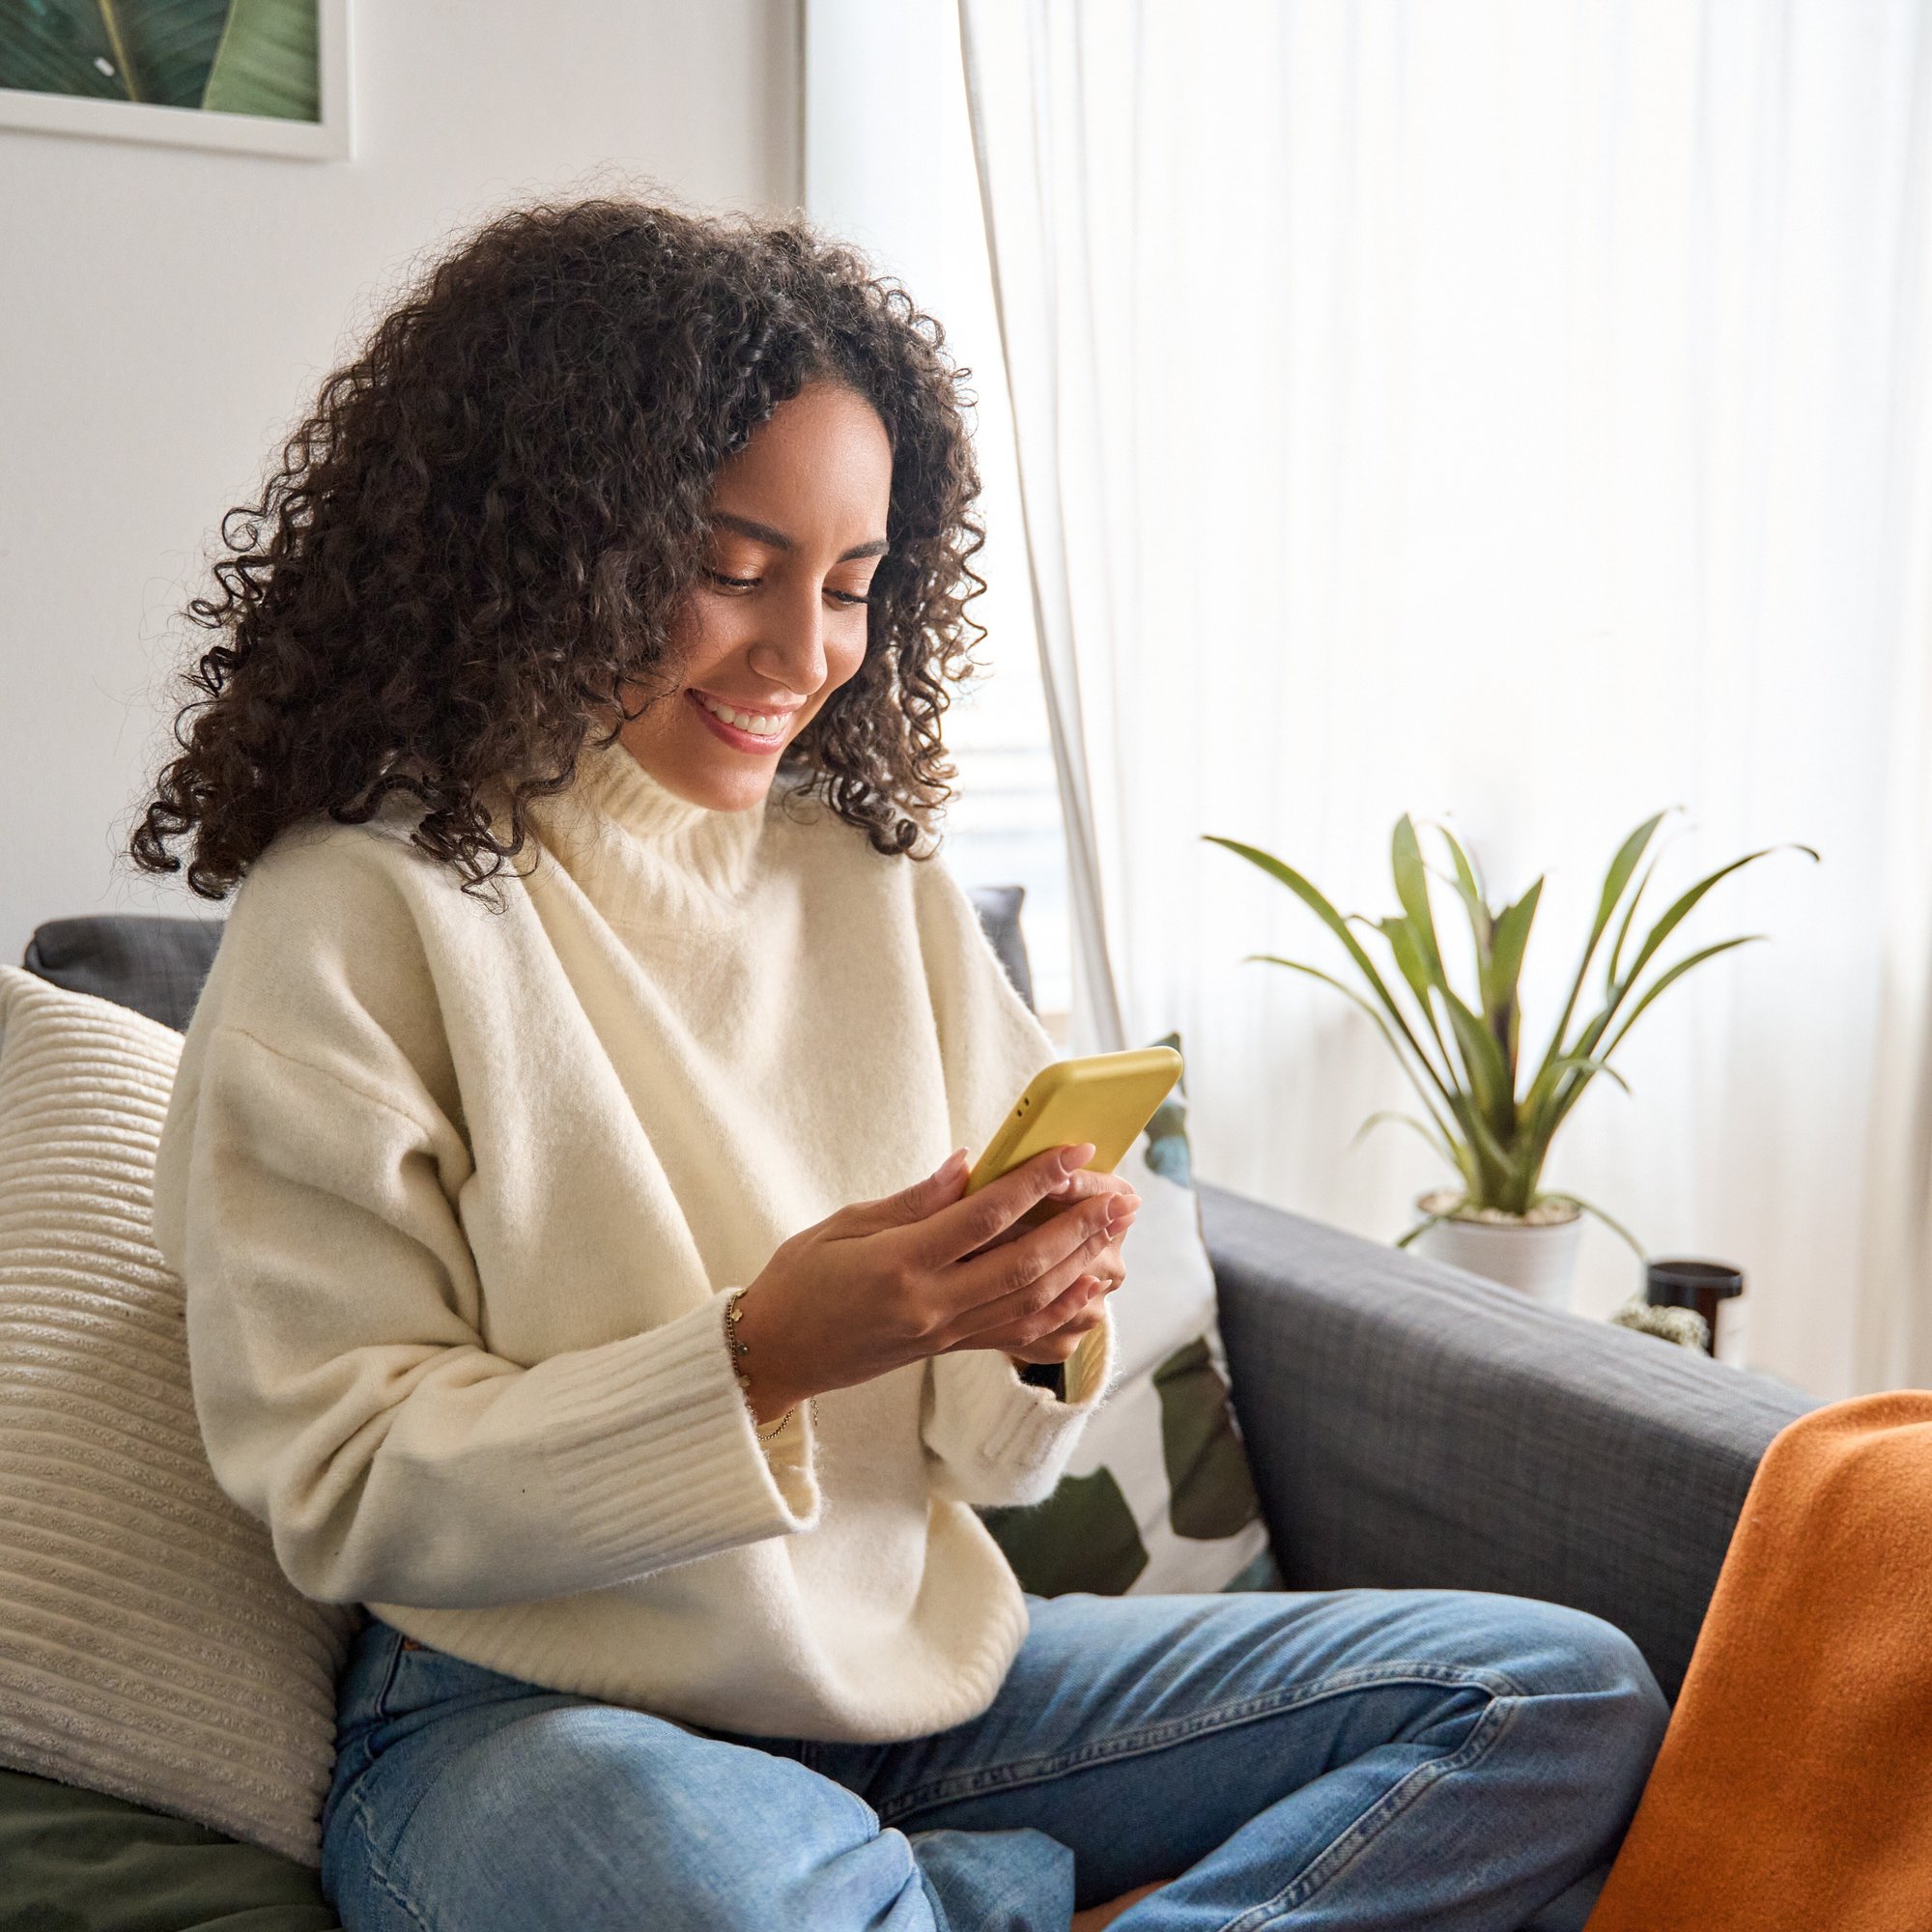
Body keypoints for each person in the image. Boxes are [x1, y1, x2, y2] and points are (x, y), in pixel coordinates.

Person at [135, 192, 1667, 1932]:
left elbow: (991, 1463)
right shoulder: (359, 910)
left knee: (1555, 1695)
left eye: (855, 587)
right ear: (544, 542)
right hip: (538, 1731)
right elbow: (343, 1488)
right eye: (733, 572)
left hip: (917, 1695)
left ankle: (928, 1894)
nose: (805, 656)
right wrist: (765, 1354)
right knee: (687, 1882)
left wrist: (1026, 1322)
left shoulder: (878, 887)